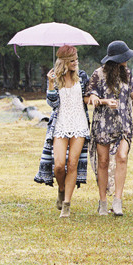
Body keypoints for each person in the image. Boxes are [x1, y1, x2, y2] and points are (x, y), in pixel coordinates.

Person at [87, 40, 133, 216]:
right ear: (117, 58)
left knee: (122, 157)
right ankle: (103, 202)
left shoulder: (127, 73)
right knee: (103, 162)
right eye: (125, 56)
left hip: (124, 122)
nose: (127, 59)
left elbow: (127, 97)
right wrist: (104, 101)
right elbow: (90, 97)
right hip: (103, 123)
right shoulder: (98, 74)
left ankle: (118, 200)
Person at [33, 45, 91, 218]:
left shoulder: (82, 76)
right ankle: (61, 188)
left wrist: (96, 99)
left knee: (72, 164)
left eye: (76, 59)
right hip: (61, 124)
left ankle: (66, 204)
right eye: (72, 60)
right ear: (64, 61)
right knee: (58, 165)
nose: (76, 63)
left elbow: (87, 96)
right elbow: (52, 104)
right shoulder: (55, 77)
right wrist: (51, 84)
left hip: (79, 124)